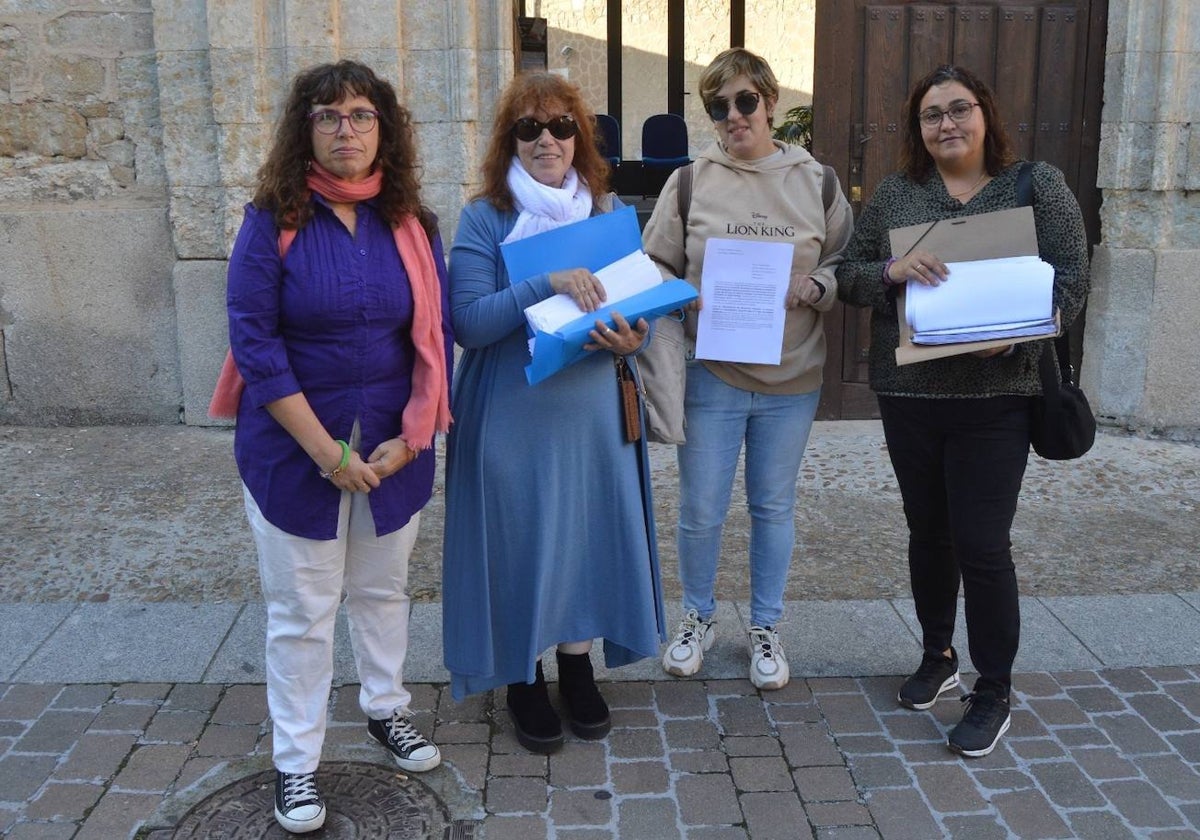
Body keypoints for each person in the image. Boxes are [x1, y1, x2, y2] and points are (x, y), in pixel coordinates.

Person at [225, 60, 453, 833]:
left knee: (384, 591)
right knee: (302, 611)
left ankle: (386, 709)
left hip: (395, 447)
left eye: (360, 114)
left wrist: (411, 437)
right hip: (296, 452)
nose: (346, 129)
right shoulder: (271, 220)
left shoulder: (412, 224)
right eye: (328, 117)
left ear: (383, 126)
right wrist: (328, 453)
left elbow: (435, 338)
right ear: (306, 131)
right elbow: (256, 348)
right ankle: (296, 764)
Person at [835, 65, 1089, 758]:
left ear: (986, 114)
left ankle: (994, 688)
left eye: (959, 109)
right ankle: (939, 653)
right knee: (928, 532)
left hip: (996, 396)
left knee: (981, 542)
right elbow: (851, 276)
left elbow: (1073, 278)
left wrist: (1022, 330)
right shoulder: (895, 195)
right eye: (931, 115)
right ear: (917, 128)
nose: (946, 124)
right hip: (910, 396)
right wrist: (890, 272)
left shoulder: (1036, 186)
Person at [442, 72, 666, 754]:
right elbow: (470, 323)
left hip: (593, 410)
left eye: (561, 126)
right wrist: (545, 282)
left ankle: (576, 664)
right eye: (530, 128)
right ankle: (523, 675)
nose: (547, 139)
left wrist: (637, 338)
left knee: (586, 536)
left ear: (580, 137)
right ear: (511, 140)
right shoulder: (487, 215)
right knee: (520, 542)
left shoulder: (605, 213)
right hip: (511, 413)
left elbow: (638, 303)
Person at [641, 47, 853, 690]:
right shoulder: (690, 182)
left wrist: (816, 287)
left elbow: (845, 263)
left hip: (793, 379)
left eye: (743, 101)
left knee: (773, 507)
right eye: (717, 107)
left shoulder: (817, 180)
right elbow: (655, 266)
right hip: (714, 375)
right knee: (701, 509)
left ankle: (766, 627)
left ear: (769, 98)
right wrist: (681, 294)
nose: (732, 116)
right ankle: (698, 617)